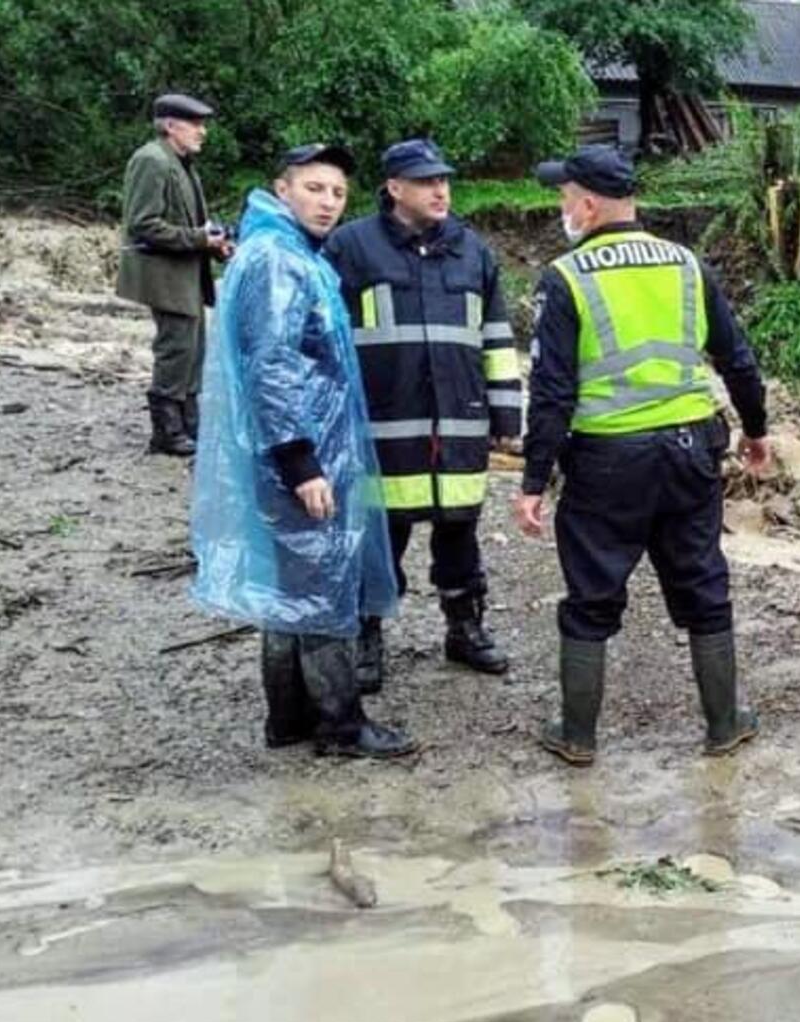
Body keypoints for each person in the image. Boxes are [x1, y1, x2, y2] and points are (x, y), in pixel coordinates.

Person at [511, 145, 771, 765]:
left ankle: (577, 735)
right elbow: (736, 357)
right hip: (690, 453)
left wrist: (533, 480)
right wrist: (757, 428)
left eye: (566, 196)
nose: (562, 207)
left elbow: (551, 391)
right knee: (703, 582)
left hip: (607, 461)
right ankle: (723, 723)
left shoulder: (567, 276)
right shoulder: (685, 264)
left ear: (591, 203)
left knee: (592, 594)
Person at [188, 144, 415, 759]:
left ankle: (287, 719)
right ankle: (340, 726)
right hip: (303, 453)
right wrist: (300, 461)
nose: (329, 203)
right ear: (282, 189)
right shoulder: (278, 262)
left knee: (292, 584)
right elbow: (272, 365)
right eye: (315, 188)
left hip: (305, 447)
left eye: (338, 193)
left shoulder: (284, 253)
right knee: (322, 586)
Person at [325, 139, 518, 692]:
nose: (441, 190)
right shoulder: (351, 248)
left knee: (461, 535)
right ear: (394, 188)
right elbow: (329, 339)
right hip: (385, 429)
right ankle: (367, 638)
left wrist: (506, 416)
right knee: (382, 538)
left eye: (444, 180)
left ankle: (465, 630)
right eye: (427, 181)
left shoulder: (473, 252)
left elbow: (497, 340)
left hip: (458, 424)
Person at [116, 93, 232, 457]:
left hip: (185, 273)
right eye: (195, 124)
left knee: (193, 347)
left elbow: (185, 222)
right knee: (176, 349)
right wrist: (199, 238)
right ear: (170, 125)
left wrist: (213, 244)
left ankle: (188, 423)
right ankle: (166, 432)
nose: (203, 132)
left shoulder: (180, 162)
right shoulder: (151, 160)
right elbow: (143, 224)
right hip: (164, 275)